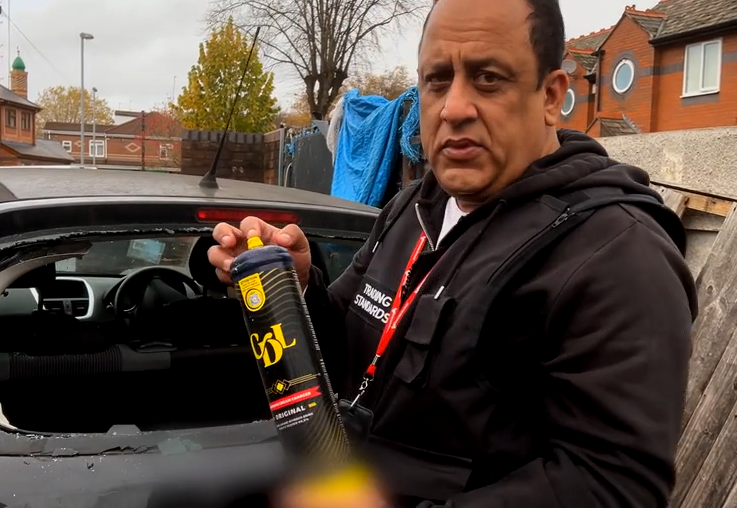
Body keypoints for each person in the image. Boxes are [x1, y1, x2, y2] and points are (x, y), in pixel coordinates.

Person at [208, 0, 698, 506]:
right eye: (437, 81)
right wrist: (297, 289)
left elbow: (613, 487)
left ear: (551, 96)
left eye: (488, 78)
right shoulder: (412, 207)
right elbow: (347, 353)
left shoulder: (618, 256)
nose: (454, 108)